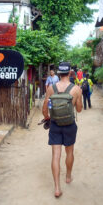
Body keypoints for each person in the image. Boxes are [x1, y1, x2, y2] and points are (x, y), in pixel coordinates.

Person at [42, 62, 83, 198]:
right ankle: (68, 177)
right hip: (70, 124)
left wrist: (47, 118)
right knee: (69, 151)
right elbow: (79, 109)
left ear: (59, 73)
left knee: (56, 155)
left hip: (55, 125)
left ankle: (57, 188)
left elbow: (45, 109)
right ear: (70, 72)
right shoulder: (76, 89)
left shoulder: (51, 88)